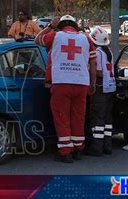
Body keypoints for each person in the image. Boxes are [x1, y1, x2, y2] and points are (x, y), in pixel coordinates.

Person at [35, 15, 97, 163]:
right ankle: (77, 148)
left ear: (60, 25)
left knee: (62, 117)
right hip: (82, 83)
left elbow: (37, 40)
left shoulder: (54, 35)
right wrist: (92, 83)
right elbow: (93, 64)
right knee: (78, 117)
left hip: (61, 82)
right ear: (75, 25)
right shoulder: (86, 39)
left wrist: (50, 26)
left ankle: (65, 151)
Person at [85, 26, 116, 156]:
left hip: (100, 87)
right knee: (107, 119)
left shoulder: (97, 52)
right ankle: (107, 146)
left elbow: (98, 71)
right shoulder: (108, 51)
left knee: (97, 119)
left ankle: (96, 148)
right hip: (111, 88)